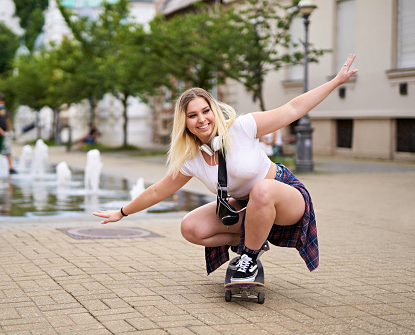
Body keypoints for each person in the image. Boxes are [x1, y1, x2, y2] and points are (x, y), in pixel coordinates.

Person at [93, 54, 358, 282]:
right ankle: (252, 241)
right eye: (192, 115)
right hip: (246, 207)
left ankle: (249, 259)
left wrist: (334, 83)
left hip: (285, 198)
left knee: (263, 190)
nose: (202, 119)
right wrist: (122, 212)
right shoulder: (191, 158)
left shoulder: (242, 128)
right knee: (191, 227)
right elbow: (157, 191)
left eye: (205, 110)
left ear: (214, 110)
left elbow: (291, 109)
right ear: (184, 123)